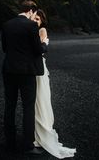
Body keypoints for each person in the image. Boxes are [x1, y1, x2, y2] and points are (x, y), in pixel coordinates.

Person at [1, 0, 49, 155]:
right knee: (28, 108)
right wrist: (45, 45)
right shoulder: (31, 26)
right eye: (34, 13)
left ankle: (10, 143)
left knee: (10, 106)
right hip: (27, 72)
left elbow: (4, 48)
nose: (34, 16)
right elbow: (37, 49)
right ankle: (27, 145)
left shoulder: (7, 24)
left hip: (9, 70)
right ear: (30, 11)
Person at [32, 9, 76, 158]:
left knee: (41, 99)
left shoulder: (41, 30)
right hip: (34, 68)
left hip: (39, 68)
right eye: (34, 18)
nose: (36, 21)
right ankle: (36, 133)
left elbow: (41, 49)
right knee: (36, 101)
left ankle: (42, 132)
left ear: (42, 21)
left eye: (38, 19)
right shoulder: (32, 29)